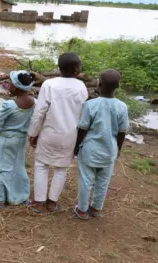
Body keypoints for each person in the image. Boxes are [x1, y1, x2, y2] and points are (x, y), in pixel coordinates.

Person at [27, 53, 88, 213]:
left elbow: (39, 112)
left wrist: (33, 132)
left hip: (49, 133)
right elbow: (83, 115)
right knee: (61, 168)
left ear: (59, 67)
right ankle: (52, 202)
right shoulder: (81, 87)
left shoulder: (49, 84)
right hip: (70, 136)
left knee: (41, 165)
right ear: (76, 69)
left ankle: (38, 202)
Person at [73, 69, 129, 219]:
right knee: (103, 181)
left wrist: (76, 147)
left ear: (100, 83)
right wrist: (118, 149)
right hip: (109, 150)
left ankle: (82, 210)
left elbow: (82, 129)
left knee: (85, 180)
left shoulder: (91, 105)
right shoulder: (122, 106)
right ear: (117, 86)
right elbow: (122, 131)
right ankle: (96, 208)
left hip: (90, 150)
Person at [0, 71, 35, 208]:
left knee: (4, 167)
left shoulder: (9, 105)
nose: (8, 85)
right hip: (21, 139)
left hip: (6, 139)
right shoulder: (34, 102)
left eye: (10, 83)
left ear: (16, 88)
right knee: (18, 165)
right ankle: (21, 195)